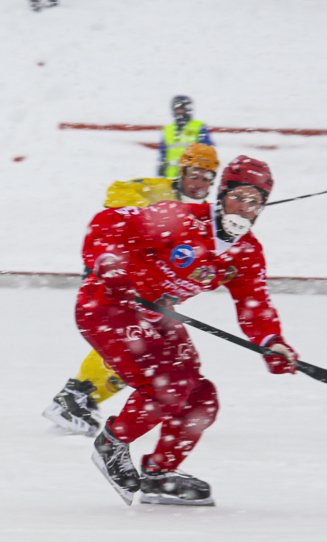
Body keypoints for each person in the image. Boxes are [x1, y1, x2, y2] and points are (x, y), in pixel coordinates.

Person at [78, 156, 291, 507]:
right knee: (169, 385)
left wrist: (272, 342)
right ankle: (112, 444)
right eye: (239, 196)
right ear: (222, 194)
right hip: (106, 305)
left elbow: (255, 304)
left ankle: (158, 475)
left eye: (256, 202)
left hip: (156, 315)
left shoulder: (247, 253)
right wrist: (109, 263)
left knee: (200, 397)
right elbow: (108, 222)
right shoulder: (180, 218)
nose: (245, 208)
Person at [43, 143, 220, 436]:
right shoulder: (160, 190)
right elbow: (116, 193)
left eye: (206, 178)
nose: (199, 182)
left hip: (147, 285)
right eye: (195, 174)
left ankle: (81, 397)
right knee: (133, 342)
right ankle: (75, 395)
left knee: (141, 350)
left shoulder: (202, 215)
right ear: (182, 171)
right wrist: (149, 214)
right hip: (119, 274)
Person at [158, 95, 214, 179]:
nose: (180, 112)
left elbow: (207, 151)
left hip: (191, 177)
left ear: (188, 110)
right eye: (177, 110)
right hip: (170, 177)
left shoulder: (199, 127)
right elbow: (163, 153)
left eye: (182, 109)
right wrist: (161, 166)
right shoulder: (167, 129)